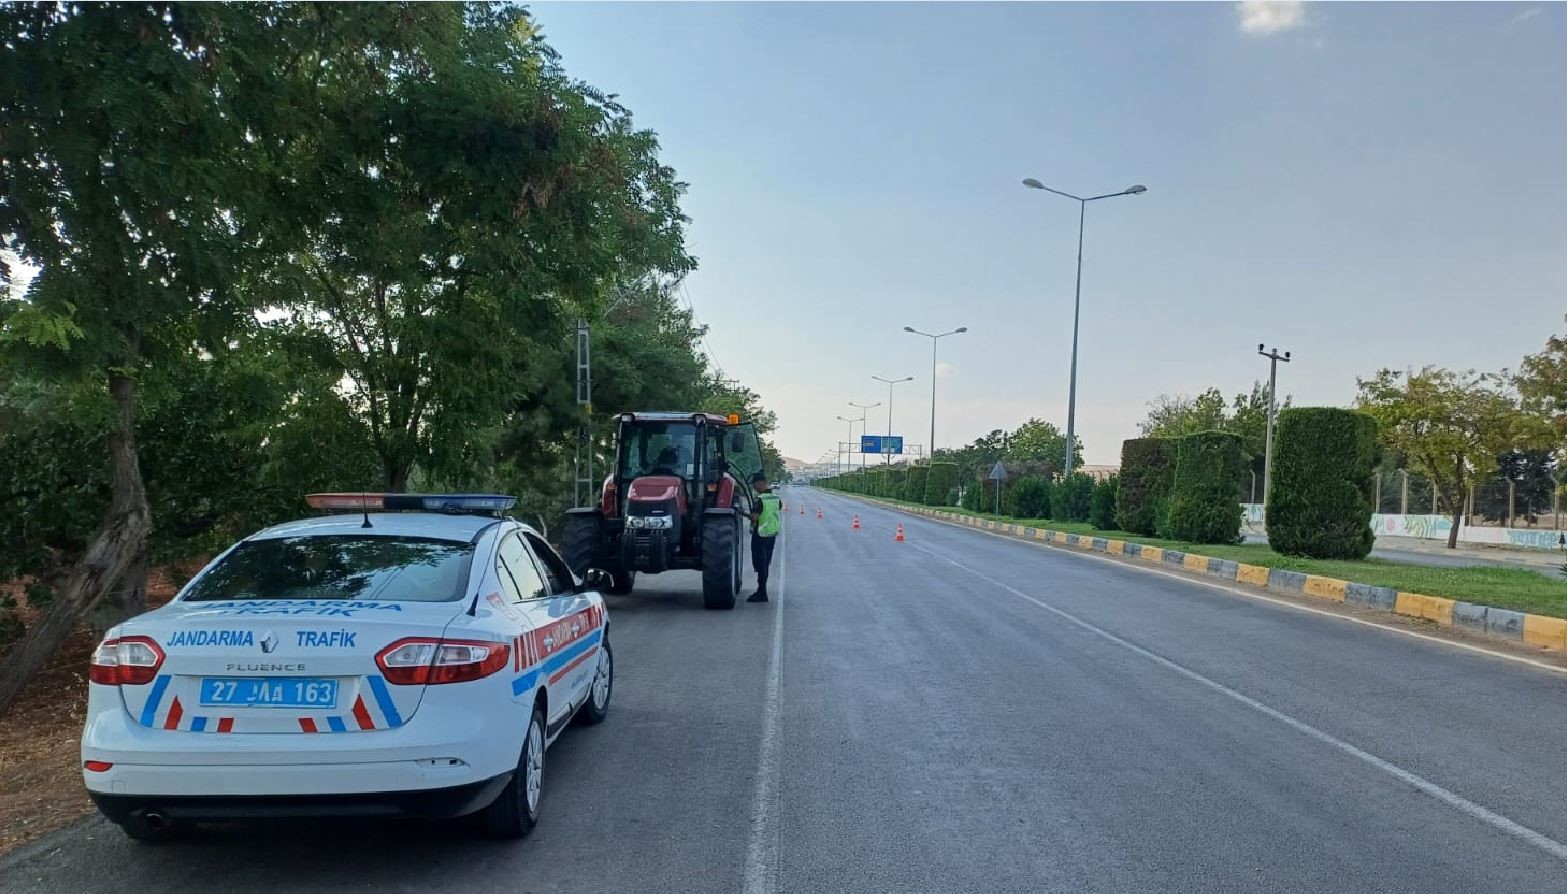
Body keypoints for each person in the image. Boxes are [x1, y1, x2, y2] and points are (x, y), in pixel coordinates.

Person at [747, 472, 782, 602]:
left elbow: (755, 517)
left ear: (760, 483)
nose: (754, 488)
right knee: (765, 563)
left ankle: (762, 592)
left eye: (755, 485)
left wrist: (743, 513)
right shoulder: (774, 497)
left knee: (760, 563)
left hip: (760, 535)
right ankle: (762, 590)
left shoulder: (759, 499)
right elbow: (778, 508)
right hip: (771, 534)